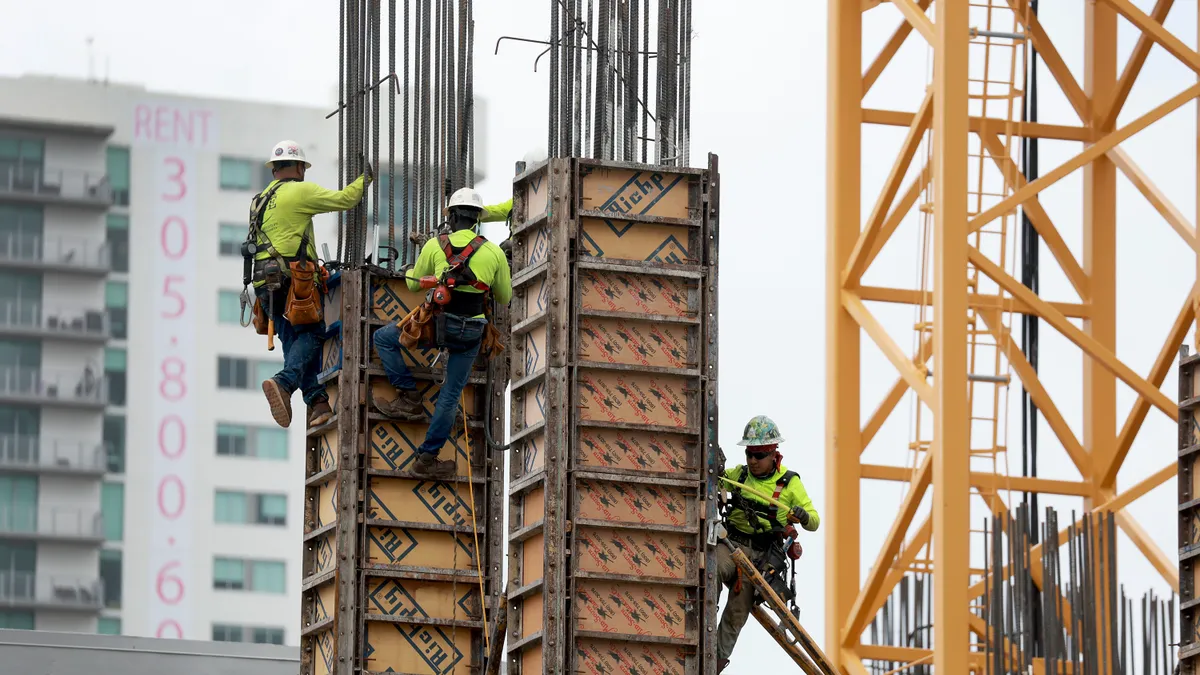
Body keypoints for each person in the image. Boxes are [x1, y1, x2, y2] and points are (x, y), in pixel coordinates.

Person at [371, 186, 512, 478]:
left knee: (383, 339)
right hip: (472, 331)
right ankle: (426, 458)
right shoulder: (494, 251)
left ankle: (408, 396)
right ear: (476, 219)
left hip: (439, 326)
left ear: (450, 216)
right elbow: (504, 297)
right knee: (449, 396)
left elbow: (411, 285)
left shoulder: (436, 245)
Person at [254, 139, 371, 429]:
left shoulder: (259, 200)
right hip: (292, 280)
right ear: (297, 167)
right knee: (313, 334)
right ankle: (284, 382)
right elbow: (346, 199)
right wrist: (365, 179)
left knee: (294, 341)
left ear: (274, 170)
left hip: (262, 284)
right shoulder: (301, 190)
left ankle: (317, 401)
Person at [717, 414, 820, 671]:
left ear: (774, 453)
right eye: (749, 454)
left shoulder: (789, 484)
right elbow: (713, 479)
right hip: (730, 546)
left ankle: (712, 664)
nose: (753, 461)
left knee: (737, 614)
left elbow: (814, 521)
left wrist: (804, 516)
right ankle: (697, 627)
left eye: (759, 455)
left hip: (760, 557)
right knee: (709, 572)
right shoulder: (738, 475)